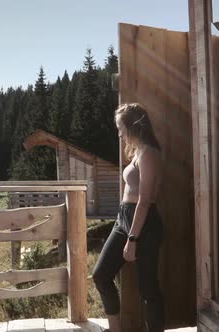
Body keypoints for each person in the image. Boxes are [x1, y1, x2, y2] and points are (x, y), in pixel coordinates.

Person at [92, 103, 165, 332]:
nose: (119, 133)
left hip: (143, 225)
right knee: (101, 275)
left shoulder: (149, 153)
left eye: (120, 127)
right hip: (124, 219)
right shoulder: (138, 152)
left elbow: (145, 200)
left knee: (148, 289)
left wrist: (132, 239)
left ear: (133, 126)